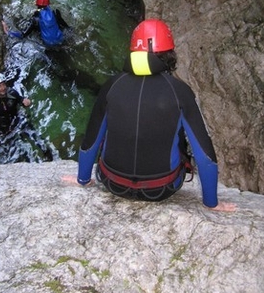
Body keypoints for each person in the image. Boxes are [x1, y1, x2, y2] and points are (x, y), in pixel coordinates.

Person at [75, 19, 236, 211]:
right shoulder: (180, 91)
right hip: (161, 189)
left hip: (112, 183)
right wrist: (212, 203)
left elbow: (92, 139)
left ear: (134, 50)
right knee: (177, 133)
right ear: (169, 54)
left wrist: (83, 180)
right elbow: (204, 155)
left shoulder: (112, 84)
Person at [0, 72, 54, 164]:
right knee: (15, 146)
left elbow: (21, 100)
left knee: (33, 134)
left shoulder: (12, 92)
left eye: (3, 84)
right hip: (4, 126)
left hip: (18, 118)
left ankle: (47, 152)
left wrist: (26, 102)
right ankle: (24, 161)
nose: (3, 88)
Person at [2, 0, 70, 47]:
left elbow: (23, 35)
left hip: (48, 44)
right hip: (61, 39)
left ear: (36, 4)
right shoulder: (55, 13)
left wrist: (7, 32)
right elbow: (65, 25)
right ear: (49, 4)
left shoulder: (35, 20)